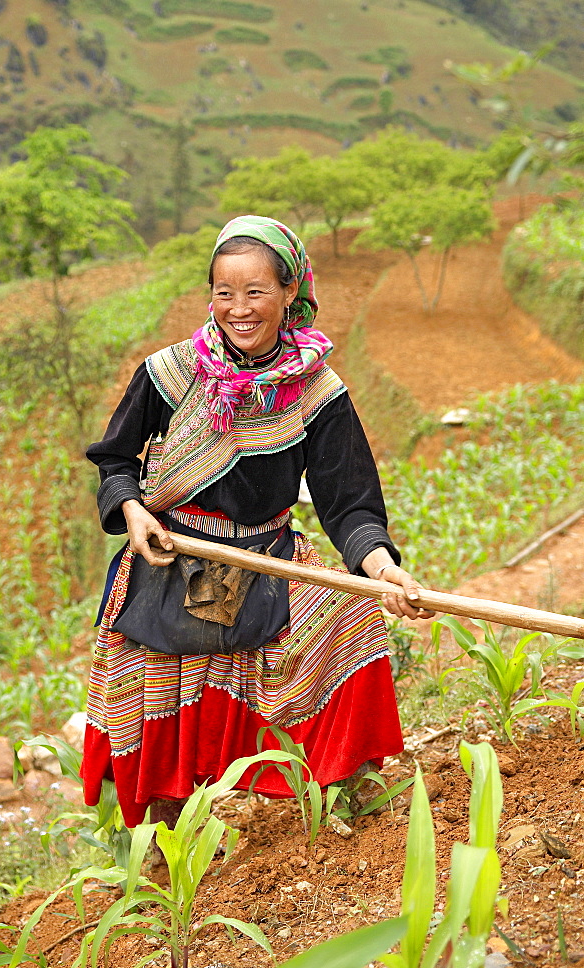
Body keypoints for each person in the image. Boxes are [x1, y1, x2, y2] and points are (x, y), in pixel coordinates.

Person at [82, 215, 433, 828]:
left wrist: (383, 570)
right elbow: (115, 460)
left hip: (266, 558)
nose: (238, 309)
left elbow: (348, 501)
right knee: (162, 705)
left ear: (289, 292)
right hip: (172, 561)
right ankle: (170, 839)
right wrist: (135, 512)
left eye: (256, 292)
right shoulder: (169, 374)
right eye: (224, 292)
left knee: (352, 627)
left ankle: (328, 805)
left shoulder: (314, 389)